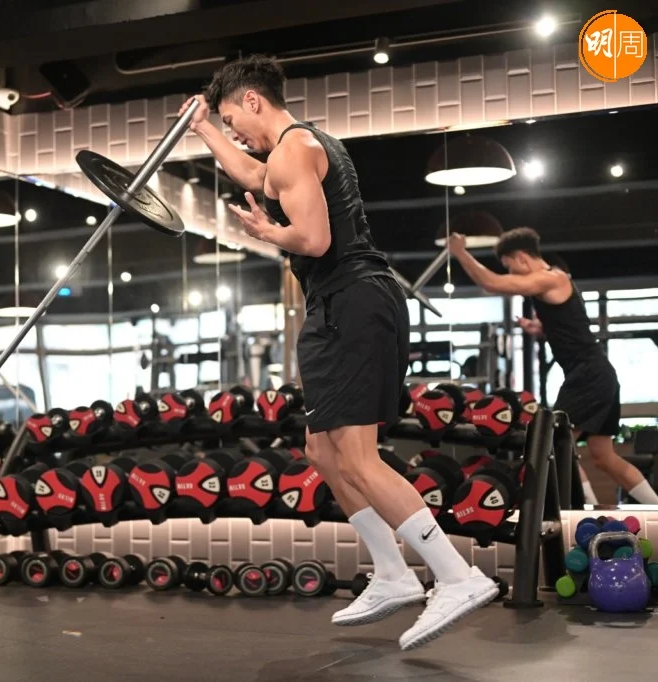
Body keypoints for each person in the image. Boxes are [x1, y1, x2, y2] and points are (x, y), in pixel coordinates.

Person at [180, 55, 498, 651]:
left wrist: (268, 233)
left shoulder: (295, 149)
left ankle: (457, 576)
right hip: (339, 304)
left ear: (253, 101)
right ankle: (394, 572)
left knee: (357, 457)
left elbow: (314, 238)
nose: (233, 133)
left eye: (229, 120)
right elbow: (253, 175)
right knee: (322, 450)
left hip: (352, 302)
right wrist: (202, 130)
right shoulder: (293, 150)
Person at [449, 227, 658, 505]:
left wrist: (460, 253)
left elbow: (491, 283)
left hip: (588, 375)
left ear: (522, 258)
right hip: (597, 373)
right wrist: (540, 329)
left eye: (510, 267)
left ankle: (584, 510)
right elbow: (571, 328)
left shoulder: (550, 278)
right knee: (603, 456)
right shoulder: (554, 282)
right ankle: (654, 507)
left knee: (554, 444)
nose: (511, 274)